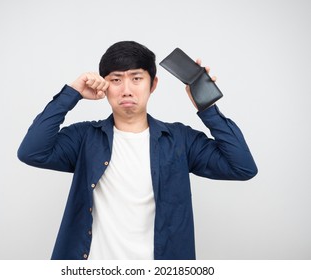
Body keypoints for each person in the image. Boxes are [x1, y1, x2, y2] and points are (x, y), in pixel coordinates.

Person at [18, 41, 257, 260]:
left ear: (153, 84)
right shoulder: (84, 138)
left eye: (136, 78)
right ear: (104, 85)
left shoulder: (180, 140)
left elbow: (242, 167)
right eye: (115, 80)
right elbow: (32, 151)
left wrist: (208, 108)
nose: (126, 90)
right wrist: (72, 93)